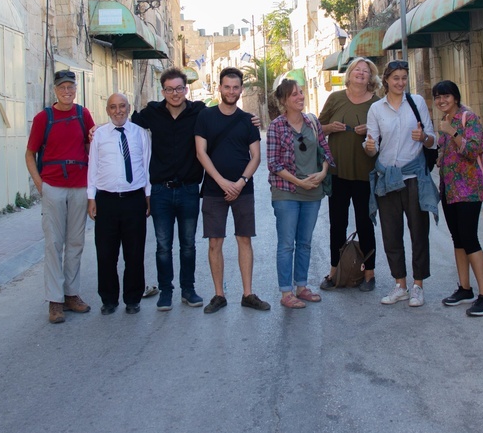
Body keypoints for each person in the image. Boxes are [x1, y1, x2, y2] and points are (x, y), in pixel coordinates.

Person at [130, 68, 208, 311]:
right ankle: (166, 291)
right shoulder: (152, 112)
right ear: (163, 91)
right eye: (169, 89)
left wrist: (251, 121)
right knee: (163, 245)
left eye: (179, 88)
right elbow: (123, 124)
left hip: (189, 190)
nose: (175, 93)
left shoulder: (199, 112)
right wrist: (97, 128)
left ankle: (188, 289)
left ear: (186, 89)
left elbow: (225, 120)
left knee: (188, 244)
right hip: (161, 191)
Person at [364, 60, 440, 307]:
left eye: (404, 77)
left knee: (419, 232)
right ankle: (401, 285)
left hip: (413, 177)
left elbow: (432, 140)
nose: (400, 82)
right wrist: (369, 147)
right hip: (387, 179)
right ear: (386, 79)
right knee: (391, 233)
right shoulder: (376, 109)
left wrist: (424, 137)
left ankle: (418, 286)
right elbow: (370, 145)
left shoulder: (416, 103)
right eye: (396, 77)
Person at [194, 67, 270, 313]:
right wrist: (221, 182)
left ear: (241, 90)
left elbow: (256, 156)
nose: (231, 91)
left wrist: (240, 182)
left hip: (243, 190)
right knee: (215, 242)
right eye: (227, 86)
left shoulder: (248, 121)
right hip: (214, 190)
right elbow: (200, 152)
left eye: (236, 87)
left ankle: (248, 294)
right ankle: (219, 295)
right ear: (219, 88)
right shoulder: (205, 117)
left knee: (244, 239)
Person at [25, 69, 96, 324]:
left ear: (76, 89)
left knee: (75, 242)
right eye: (62, 88)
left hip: (79, 185)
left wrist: (92, 193)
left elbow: (92, 148)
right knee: (54, 243)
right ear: (55, 90)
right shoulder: (44, 118)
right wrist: (40, 184)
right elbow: (29, 154)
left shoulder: (83, 114)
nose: (67, 92)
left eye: (71, 87)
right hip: (53, 186)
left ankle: (71, 294)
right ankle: (54, 301)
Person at [267, 80, 335, 308]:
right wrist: (299, 182)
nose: (300, 97)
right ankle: (286, 293)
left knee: (305, 242)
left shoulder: (313, 122)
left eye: (301, 92)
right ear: (284, 101)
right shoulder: (277, 126)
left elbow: (325, 151)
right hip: (286, 192)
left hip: (312, 192)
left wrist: (323, 172)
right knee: (287, 244)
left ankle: (302, 286)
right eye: (294, 94)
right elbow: (273, 163)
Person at [433, 80, 483, 317]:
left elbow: (473, 150)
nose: (441, 101)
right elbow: (444, 151)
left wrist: (453, 132)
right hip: (449, 190)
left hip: (468, 190)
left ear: (455, 97)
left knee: (470, 240)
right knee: (457, 239)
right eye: (438, 97)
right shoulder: (445, 122)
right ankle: (465, 288)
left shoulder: (469, 118)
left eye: (446, 96)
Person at [318, 57, 381, 292]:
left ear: (371, 77)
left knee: (365, 224)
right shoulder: (335, 98)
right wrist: (329, 128)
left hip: (366, 174)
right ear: (349, 73)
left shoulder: (377, 104)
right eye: (357, 69)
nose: (361, 73)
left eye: (366, 71)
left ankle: (369, 274)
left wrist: (372, 130)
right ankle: (335, 271)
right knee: (337, 224)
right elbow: (317, 128)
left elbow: (385, 134)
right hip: (337, 173)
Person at [87, 93, 152, 315]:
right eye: (113, 107)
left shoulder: (140, 134)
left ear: (128, 107)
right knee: (106, 254)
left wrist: (147, 196)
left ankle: (133, 298)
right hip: (106, 200)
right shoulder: (99, 135)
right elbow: (92, 167)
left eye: (122, 106)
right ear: (107, 110)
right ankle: (108, 299)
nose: (118, 111)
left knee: (134, 253)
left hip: (134, 199)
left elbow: (146, 165)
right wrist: (91, 197)